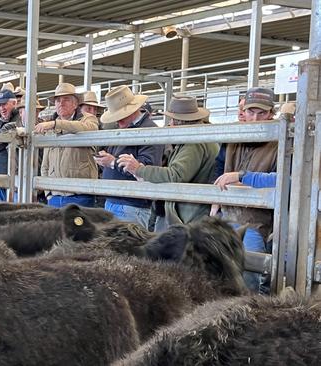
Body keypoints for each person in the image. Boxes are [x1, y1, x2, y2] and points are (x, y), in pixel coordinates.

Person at [117, 96, 218, 231]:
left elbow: (175, 174)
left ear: (179, 122)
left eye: (171, 120)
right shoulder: (196, 139)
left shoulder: (194, 143)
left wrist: (139, 169)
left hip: (189, 217)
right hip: (190, 214)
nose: (169, 124)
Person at [217, 87, 279, 294]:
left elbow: (283, 179)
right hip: (227, 216)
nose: (255, 117)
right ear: (244, 111)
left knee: (250, 275)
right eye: (251, 112)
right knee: (221, 275)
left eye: (262, 113)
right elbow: (217, 171)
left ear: (271, 113)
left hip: (257, 221)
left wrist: (241, 176)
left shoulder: (279, 141)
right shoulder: (234, 138)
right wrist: (213, 198)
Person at [94, 85, 164, 227]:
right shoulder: (125, 128)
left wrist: (113, 163)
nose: (118, 121)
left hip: (132, 204)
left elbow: (146, 167)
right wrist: (107, 161)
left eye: (120, 116)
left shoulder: (149, 131)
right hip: (117, 200)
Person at [35, 82, 99, 208]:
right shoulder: (50, 126)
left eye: (66, 99)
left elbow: (90, 129)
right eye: (58, 100)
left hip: (80, 194)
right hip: (55, 195)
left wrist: (56, 124)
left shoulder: (88, 119)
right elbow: (45, 165)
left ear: (75, 104)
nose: (61, 103)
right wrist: (49, 193)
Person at [0, 88, 21, 201]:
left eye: (4, 104)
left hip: (15, 178)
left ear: (14, 103)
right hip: (0, 177)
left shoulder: (19, 121)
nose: (2, 108)